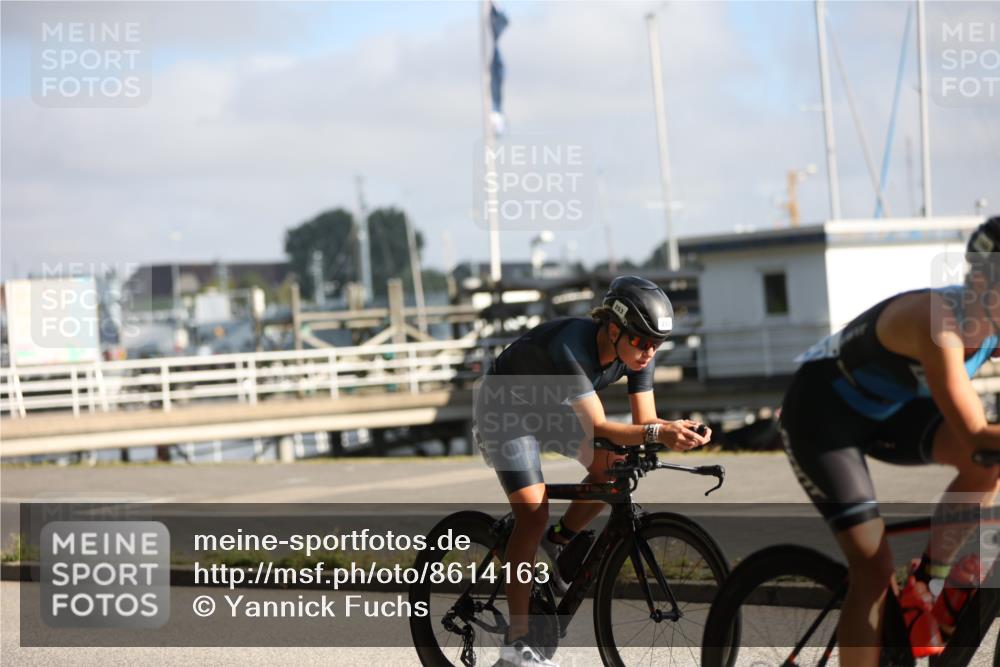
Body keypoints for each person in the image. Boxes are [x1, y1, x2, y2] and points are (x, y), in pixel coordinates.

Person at [780, 217, 1000, 665]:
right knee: (874, 570)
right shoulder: (937, 322)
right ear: (982, 282)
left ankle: (926, 583)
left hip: (891, 414)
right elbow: (975, 433)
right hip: (822, 419)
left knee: (987, 464)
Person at [474, 275, 711, 667]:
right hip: (504, 409)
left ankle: (557, 541)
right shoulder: (572, 346)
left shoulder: (638, 353)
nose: (649, 352)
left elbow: (645, 422)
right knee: (532, 513)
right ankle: (516, 644)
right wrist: (659, 433)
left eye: (657, 344)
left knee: (614, 468)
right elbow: (599, 427)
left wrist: (677, 429)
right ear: (614, 330)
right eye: (642, 342)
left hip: (550, 410)